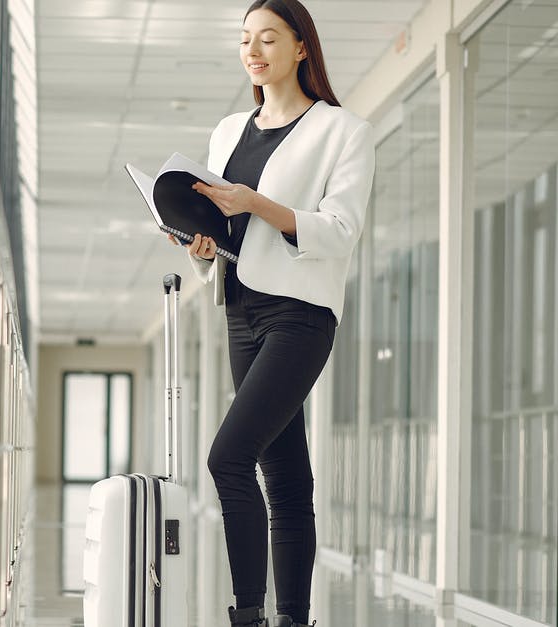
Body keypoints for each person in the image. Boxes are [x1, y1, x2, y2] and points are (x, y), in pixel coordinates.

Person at [166, 1, 376, 626]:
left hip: (301, 315)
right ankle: (294, 618)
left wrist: (258, 202)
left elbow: (340, 231)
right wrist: (201, 241)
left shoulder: (344, 131)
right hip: (241, 307)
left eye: (268, 39)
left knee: (227, 457)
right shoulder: (230, 130)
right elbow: (232, 234)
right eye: (245, 41)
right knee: (283, 475)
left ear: (301, 48)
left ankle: (249, 617)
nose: (253, 52)